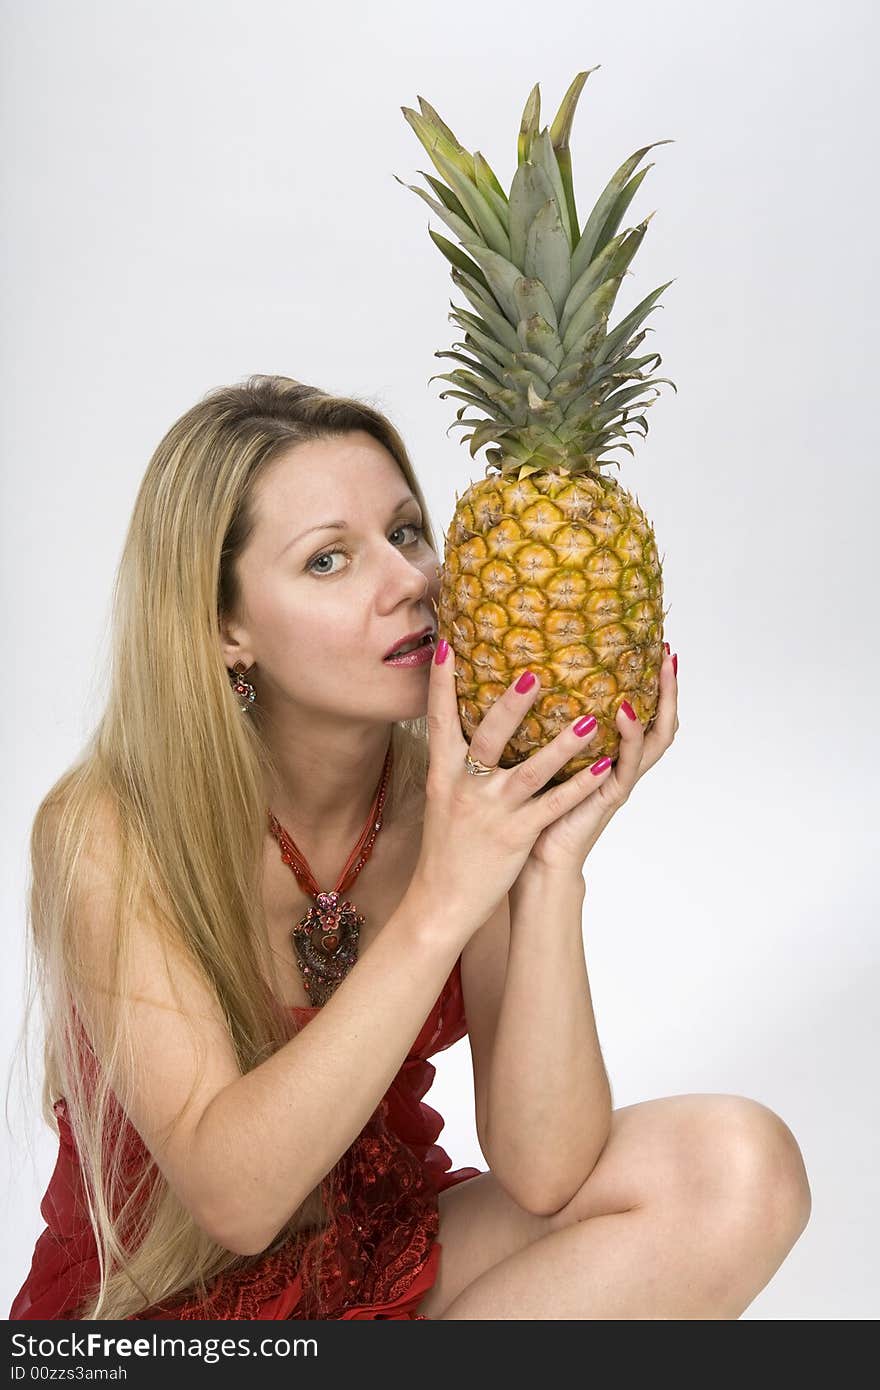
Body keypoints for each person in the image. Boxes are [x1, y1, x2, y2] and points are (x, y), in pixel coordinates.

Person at [9, 375, 811, 1321]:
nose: (411, 583)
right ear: (225, 629)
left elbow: (545, 1170)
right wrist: (439, 905)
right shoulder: (108, 827)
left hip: (376, 1259)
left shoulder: (456, 800)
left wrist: (549, 863)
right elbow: (238, 1201)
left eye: (404, 532)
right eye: (327, 562)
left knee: (738, 1168)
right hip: (160, 1317)